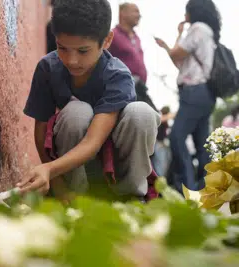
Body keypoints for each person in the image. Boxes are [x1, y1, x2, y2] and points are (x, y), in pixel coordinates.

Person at [18, 0, 160, 201]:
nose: (71, 60)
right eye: (62, 47)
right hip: (71, 168)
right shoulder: (48, 69)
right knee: (77, 111)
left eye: (83, 51)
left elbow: (93, 142)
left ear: (107, 40)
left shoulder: (117, 75)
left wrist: (48, 169)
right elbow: (41, 132)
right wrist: (58, 185)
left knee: (141, 114)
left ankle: (129, 197)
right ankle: (76, 198)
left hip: (111, 160)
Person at [155, 0, 219, 191]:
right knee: (201, 143)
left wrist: (178, 33)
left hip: (194, 91)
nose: (184, 16)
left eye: (186, 12)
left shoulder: (197, 28)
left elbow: (176, 54)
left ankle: (188, 187)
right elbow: (181, 64)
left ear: (193, 12)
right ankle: (205, 189)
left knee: (176, 138)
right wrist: (168, 48)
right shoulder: (209, 33)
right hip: (205, 93)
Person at [108, 2, 157, 111]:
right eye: (135, 11)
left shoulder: (137, 37)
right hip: (123, 90)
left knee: (153, 117)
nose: (139, 15)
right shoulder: (112, 35)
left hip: (140, 88)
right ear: (123, 14)